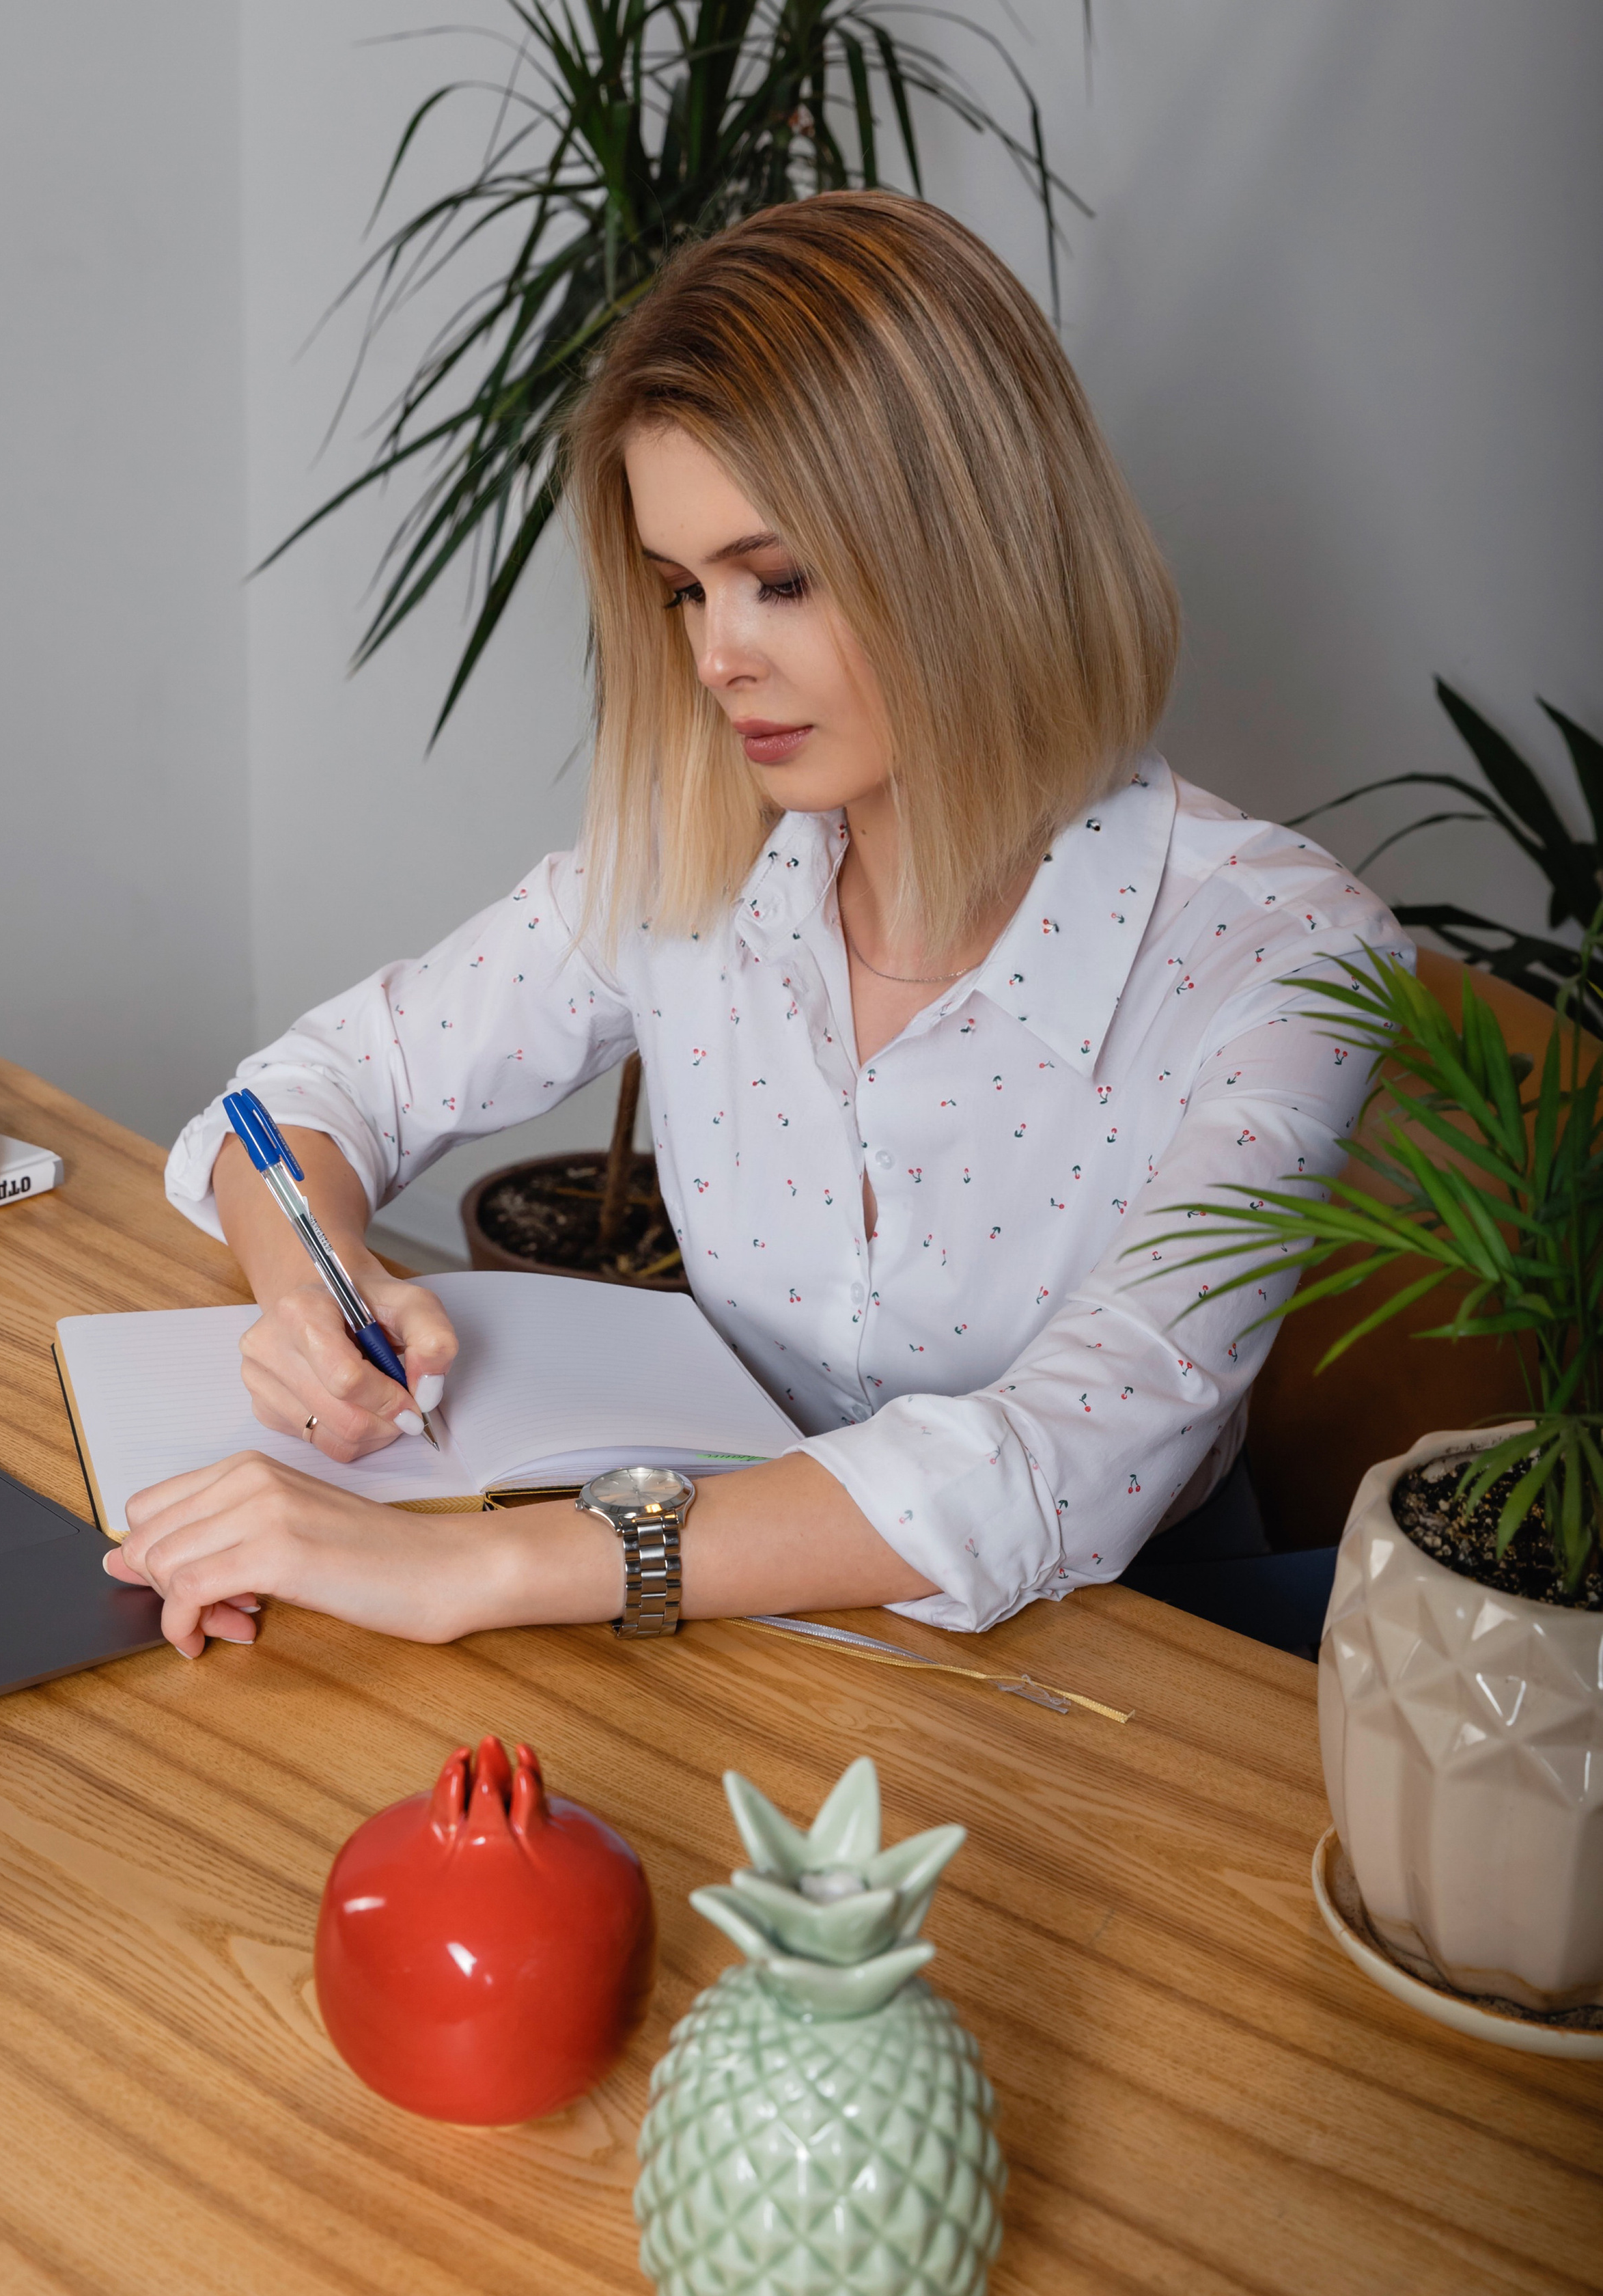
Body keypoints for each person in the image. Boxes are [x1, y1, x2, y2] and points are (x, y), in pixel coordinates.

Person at [107, 193, 1404, 1659]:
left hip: (1117, 1646)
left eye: (777, 580)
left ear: (974, 550)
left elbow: (1063, 1460)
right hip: (719, 1604)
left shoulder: (1286, 955)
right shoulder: (698, 857)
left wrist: (473, 1569)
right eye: (682, 591)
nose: (717, 659)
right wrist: (316, 1292)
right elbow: (309, 1093)